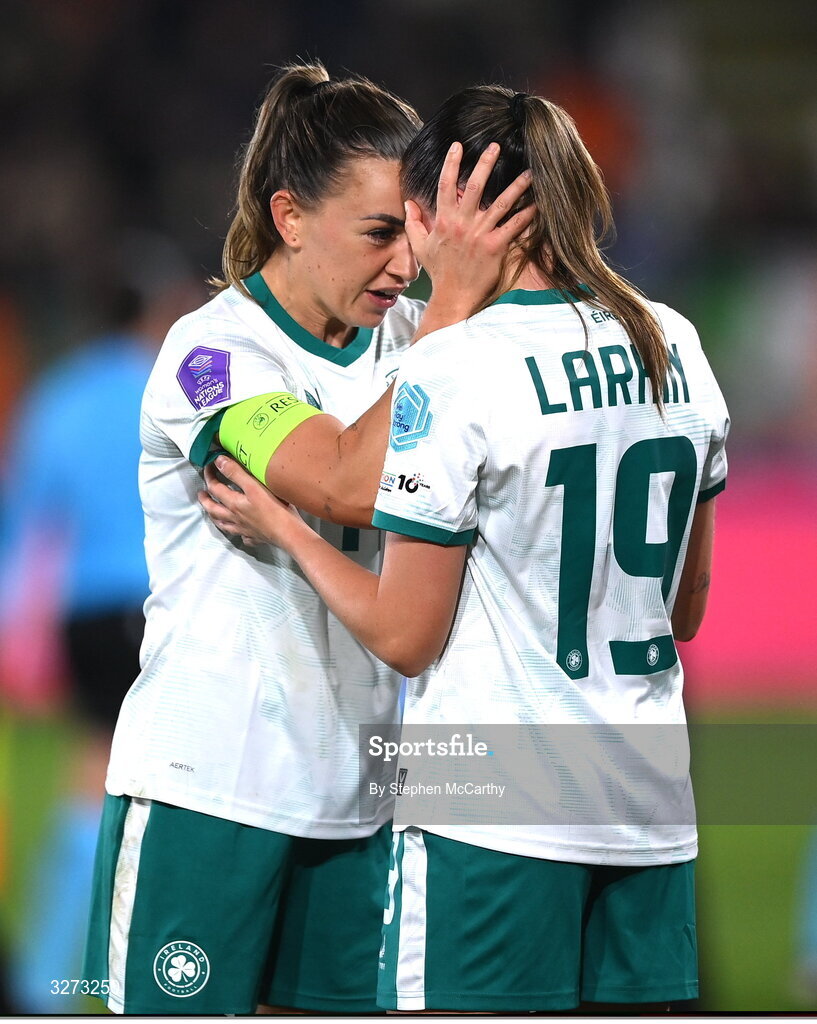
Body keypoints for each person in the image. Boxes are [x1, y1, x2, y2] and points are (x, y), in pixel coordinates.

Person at [199, 85, 730, 1013]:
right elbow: (683, 610)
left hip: (491, 806)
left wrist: (286, 530)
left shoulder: (457, 364)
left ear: (446, 207)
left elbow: (405, 636)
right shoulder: (672, 340)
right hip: (650, 799)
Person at [84, 63, 532, 1016]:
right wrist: (449, 325)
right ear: (290, 217)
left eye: (412, 235)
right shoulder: (211, 356)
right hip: (211, 792)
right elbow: (341, 479)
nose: (404, 268)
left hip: (359, 801)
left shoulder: (419, 333)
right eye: (377, 234)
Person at [0, 231, 202, 1014]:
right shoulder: (183, 383)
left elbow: (23, 529)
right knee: (188, 794)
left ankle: (50, 983)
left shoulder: (58, 396)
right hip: (164, 609)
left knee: (91, 779)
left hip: (83, 618)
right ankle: (169, 975)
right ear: (161, 305)